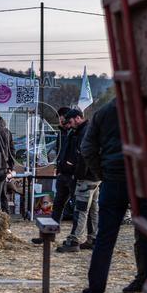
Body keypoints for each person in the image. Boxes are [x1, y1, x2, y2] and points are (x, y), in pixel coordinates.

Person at [76, 97, 147, 293]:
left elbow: (87, 148)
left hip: (113, 180)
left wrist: (103, 173)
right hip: (143, 181)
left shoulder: (104, 112)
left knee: (104, 241)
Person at [30, 106, 77, 244]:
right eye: (59, 117)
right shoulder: (61, 132)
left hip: (74, 175)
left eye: (62, 116)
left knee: (80, 208)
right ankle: (49, 236)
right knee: (57, 205)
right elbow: (58, 151)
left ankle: (81, 237)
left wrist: (72, 167)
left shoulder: (75, 132)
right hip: (62, 174)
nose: (60, 119)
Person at [56, 108, 100, 252]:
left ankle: (74, 240)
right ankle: (93, 238)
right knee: (92, 208)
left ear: (78, 118)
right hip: (94, 176)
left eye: (70, 121)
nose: (69, 124)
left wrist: (77, 173)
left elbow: (83, 156)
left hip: (86, 177)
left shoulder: (84, 132)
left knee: (81, 209)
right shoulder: (87, 130)